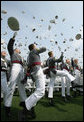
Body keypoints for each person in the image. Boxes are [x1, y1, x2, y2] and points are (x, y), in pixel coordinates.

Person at [5, 32, 27, 117]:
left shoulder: (22, 57)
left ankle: (24, 105)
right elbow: (9, 46)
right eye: (17, 48)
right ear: (15, 50)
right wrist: (13, 38)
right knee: (11, 87)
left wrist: (25, 75)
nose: (18, 49)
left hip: (21, 69)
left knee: (22, 87)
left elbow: (25, 66)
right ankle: (7, 108)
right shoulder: (12, 53)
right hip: (15, 67)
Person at [21, 43, 46, 118]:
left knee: (38, 91)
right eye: (35, 45)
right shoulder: (34, 51)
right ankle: (26, 105)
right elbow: (44, 48)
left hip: (34, 72)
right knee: (41, 91)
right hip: (37, 71)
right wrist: (37, 48)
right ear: (33, 47)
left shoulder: (29, 55)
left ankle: (31, 107)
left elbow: (28, 67)